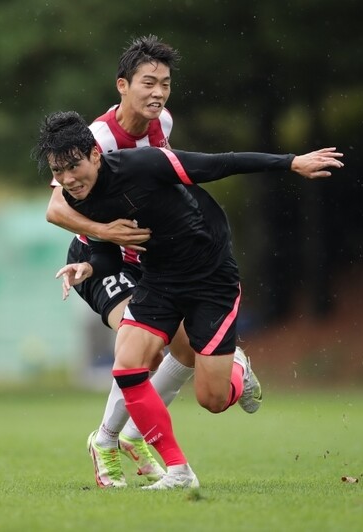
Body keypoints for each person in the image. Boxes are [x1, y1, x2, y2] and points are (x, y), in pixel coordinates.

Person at [35, 110, 343, 489]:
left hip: (210, 277)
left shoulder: (145, 163)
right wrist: (89, 268)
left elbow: (219, 164)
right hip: (160, 279)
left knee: (212, 399)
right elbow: (109, 251)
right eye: (58, 170)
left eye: (73, 166)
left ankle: (237, 373)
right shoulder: (77, 198)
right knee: (128, 366)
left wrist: (290, 161)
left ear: (95, 155)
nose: (67, 179)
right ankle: (179, 472)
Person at [46, 35, 256, 489]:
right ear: (122, 85)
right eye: (148, 82)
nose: (157, 92)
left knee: (182, 351)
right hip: (96, 255)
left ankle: (137, 432)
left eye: (164, 83)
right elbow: (56, 209)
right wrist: (106, 233)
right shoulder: (97, 138)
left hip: (144, 256)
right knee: (136, 347)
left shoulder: (164, 124)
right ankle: (106, 441)